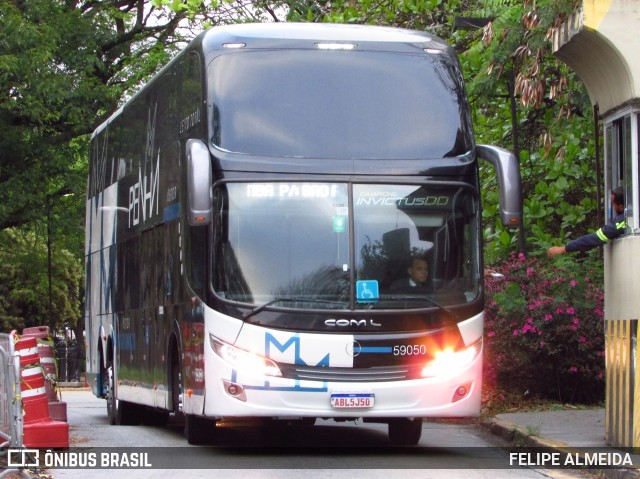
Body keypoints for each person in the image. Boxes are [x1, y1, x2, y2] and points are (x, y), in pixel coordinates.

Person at [547, 187, 626, 257]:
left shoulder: (621, 223)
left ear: (621, 207)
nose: (612, 207)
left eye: (613, 204)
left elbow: (594, 239)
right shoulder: (630, 217)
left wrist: (564, 248)